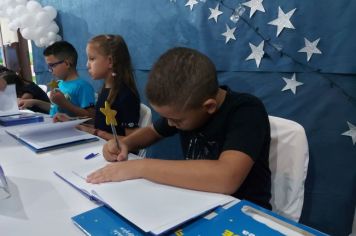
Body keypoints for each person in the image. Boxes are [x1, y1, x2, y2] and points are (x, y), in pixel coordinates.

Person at [87, 47, 272, 210]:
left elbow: (226, 178)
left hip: (243, 212)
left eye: (175, 120)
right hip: (198, 201)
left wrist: (140, 167)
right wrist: (123, 143)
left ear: (208, 107)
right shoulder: (186, 110)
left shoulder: (246, 110)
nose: (170, 123)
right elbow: (152, 131)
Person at [55, 35, 140, 141]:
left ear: (110, 61)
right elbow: (101, 126)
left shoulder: (127, 96)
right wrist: (71, 121)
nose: (87, 65)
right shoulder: (105, 90)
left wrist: (96, 133)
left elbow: (133, 141)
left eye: (92, 59)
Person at [18, 41, 95, 117]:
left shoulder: (83, 86)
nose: (50, 70)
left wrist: (65, 103)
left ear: (67, 64)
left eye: (52, 65)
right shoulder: (60, 84)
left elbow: (91, 116)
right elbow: (55, 108)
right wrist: (35, 102)